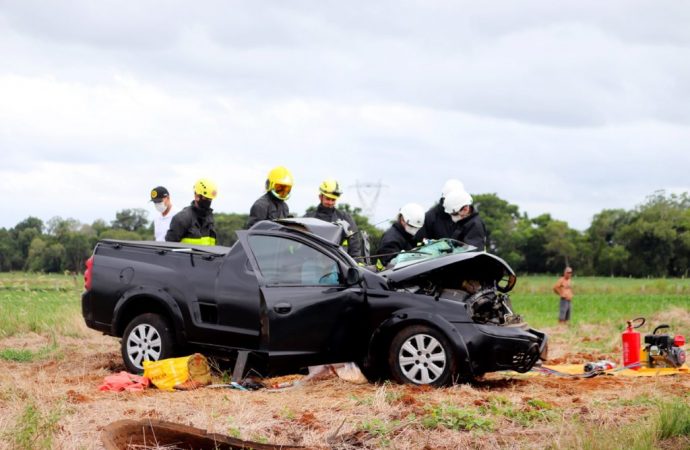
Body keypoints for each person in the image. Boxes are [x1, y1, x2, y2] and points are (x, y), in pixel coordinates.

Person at [304, 178, 362, 258]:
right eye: (328, 199)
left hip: (338, 264)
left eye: (333, 200)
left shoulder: (345, 218)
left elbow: (354, 243)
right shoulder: (308, 218)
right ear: (320, 197)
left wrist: (357, 261)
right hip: (311, 262)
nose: (330, 202)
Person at [165, 178, 218, 245]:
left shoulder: (209, 219)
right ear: (197, 196)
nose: (208, 201)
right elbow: (169, 248)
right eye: (206, 198)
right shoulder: (182, 219)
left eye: (210, 199)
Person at [375, 203, 425, 270]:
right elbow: (391, 266)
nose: (414, 230)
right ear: (402, 219)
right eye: (411, 226)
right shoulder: (390, 240)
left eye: (417, 228)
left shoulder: (407, 234)